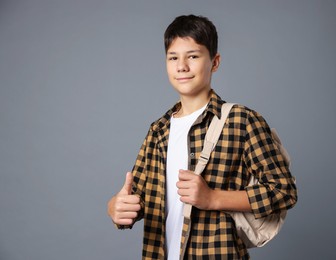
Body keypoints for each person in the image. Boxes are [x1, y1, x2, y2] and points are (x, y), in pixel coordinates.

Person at [107, 14, 297, 259]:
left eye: (193, 56)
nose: (181, 66)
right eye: (173, 57)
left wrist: (213, 198)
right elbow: (139, 200)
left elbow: (284, 191)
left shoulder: (241, 121)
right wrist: (115, 207)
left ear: (214, 62)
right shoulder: (158, 131)